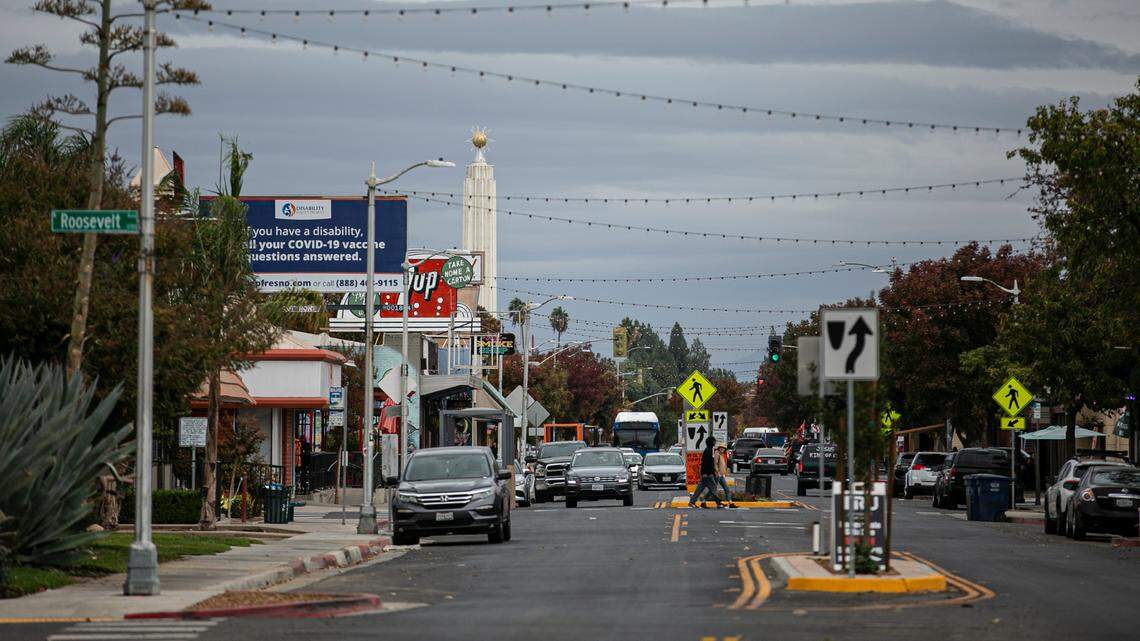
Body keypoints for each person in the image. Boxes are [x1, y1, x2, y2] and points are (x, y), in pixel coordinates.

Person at [688, 436, 725, 509]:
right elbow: (706, 463)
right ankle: (718, 503)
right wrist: (706, 473)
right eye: (714, 441)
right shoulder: (708, 450)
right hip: (708, 474)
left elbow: (706, 463)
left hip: (706, 474)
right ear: (711, 442)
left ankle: (692, 502)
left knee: (700, 489)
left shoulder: (709, 450)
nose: (715, 442)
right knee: (713, 488)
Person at [714, 444, 737, 508]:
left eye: (723, 448)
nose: (722, 449)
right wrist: (717, 472)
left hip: (721, 475)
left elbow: (723, 465)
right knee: (713, 489)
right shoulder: (717, 454)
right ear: (719, 448)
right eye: (721, 448)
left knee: (726, 489)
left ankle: (730, 503)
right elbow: (715, 464)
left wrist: (725, 473)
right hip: (717, 475)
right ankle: (704, 501)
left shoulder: (722, 455)